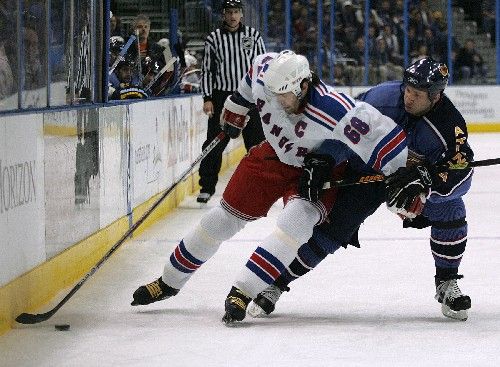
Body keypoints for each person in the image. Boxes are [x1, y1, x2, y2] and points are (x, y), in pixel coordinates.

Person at [130, 50, 409, 326]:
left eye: (284, 95)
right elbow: (249, 83)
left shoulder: (336, 109)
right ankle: (169, 281)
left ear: (303, 86)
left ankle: (243, 291)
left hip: (316, 172)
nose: (277, 101)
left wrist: (400, 180)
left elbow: (388, 140)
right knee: (220, 220)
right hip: (273, 155)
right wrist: (236, 108)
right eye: (273, 93)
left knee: (295, 224)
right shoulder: (266, 72)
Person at [248, 57, 475, 322]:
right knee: (333, 230)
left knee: (451, 209)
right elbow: (341, 129)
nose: (408, 98)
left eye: (417, 94)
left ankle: (446, 282)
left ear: (435, 96)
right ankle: (277, 282)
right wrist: (326, 158)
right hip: (366, 172)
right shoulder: (382, 99)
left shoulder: (450, 127)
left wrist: (430, 181)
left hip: (408, 183)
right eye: (408, 90)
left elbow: (463, 176)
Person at [197, 0, 266, 203]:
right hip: (222, 98)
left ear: (241, 14)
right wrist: (208, 98)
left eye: (236, 12)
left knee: (256, 145)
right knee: (214, 143)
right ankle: (207, 187)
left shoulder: (253, 36)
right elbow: (207, 71)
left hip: (250, 97)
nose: (233, 16)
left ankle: (260, 186)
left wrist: (263, 95)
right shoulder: (214, 39)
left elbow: (264, 65)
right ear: (223, 15)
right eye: (229, 12)